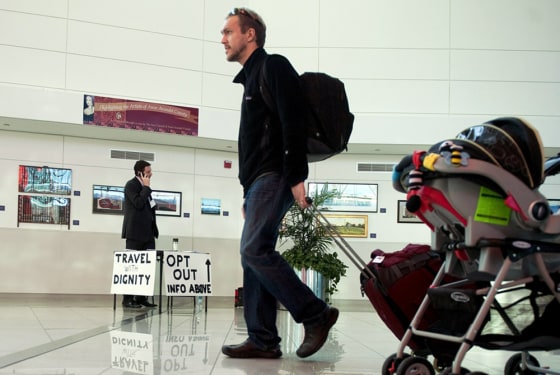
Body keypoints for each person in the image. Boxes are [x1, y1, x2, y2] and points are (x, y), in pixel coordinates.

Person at [220, 7, 338, 359]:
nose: (223, 40)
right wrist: (246, 193)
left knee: (254, 249)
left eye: (228, 32)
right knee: (252, 256)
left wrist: (297, 177)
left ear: (250, 34)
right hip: (259, 181)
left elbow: (293, 122)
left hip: (276, 175)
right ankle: (263, 339)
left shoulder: (273, 66)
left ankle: (315, 314)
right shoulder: (250, 78)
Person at [121, 160, 159, 308]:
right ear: (139, 172)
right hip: (135, 233)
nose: (151, 174)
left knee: (146, 267)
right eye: (148, 172)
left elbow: (151, 206)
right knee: (133, 267)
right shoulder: (131, 185)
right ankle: (128, 299)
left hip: (148, 234)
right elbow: (137, 203)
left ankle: (141, 298)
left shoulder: (146, 188)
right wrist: (146, 188)